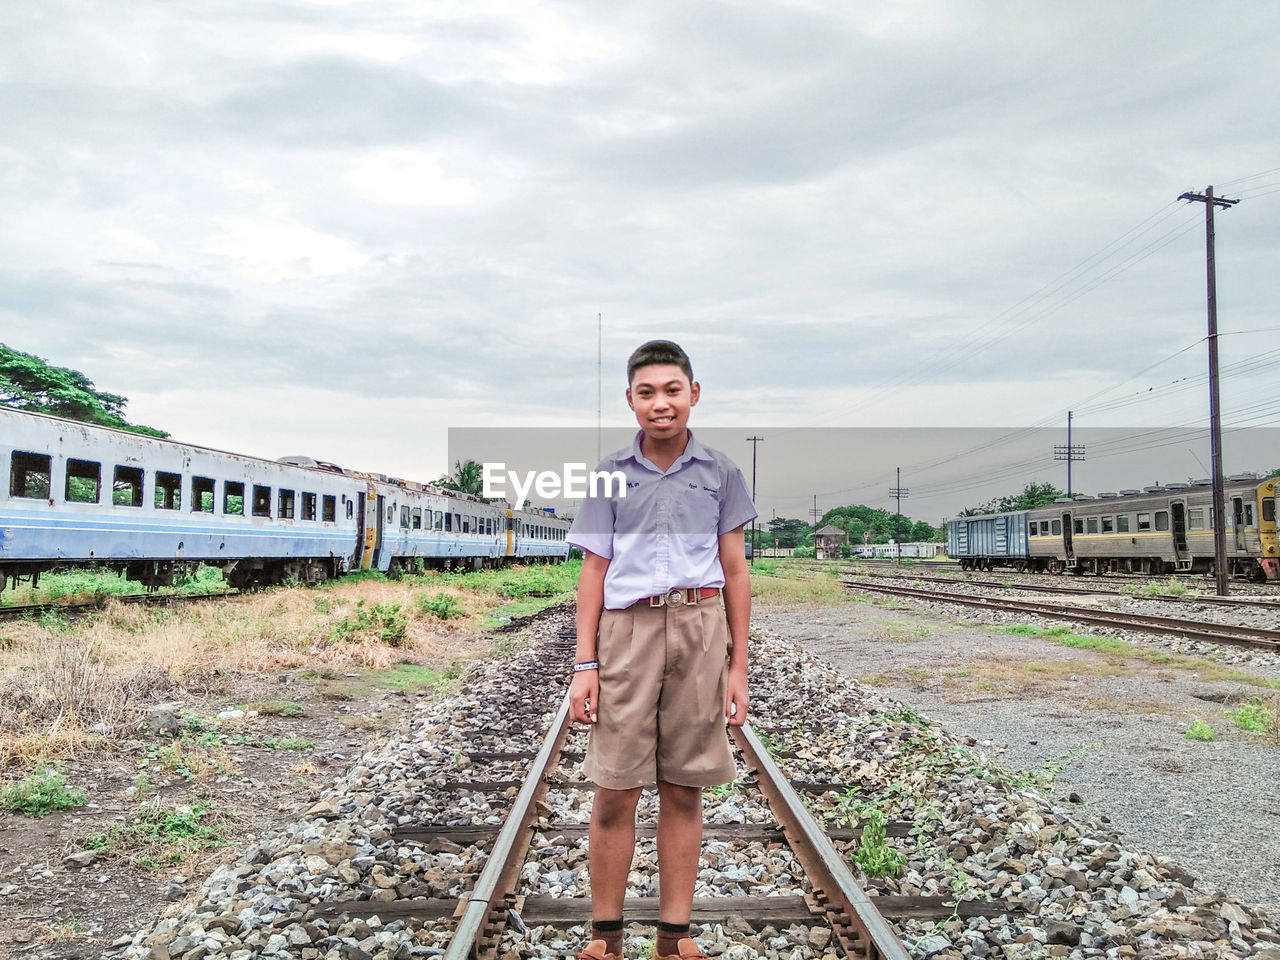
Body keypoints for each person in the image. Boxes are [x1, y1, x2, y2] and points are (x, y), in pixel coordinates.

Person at [566, 339, 757, 960]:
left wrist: (738, 667)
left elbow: (735, 569)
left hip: (700, 628)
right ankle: (606, 938)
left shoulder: (721, 472)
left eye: (672, 390)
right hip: (629, 631)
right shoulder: (610, 474)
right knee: (615, 785)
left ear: (693, 394)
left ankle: (673, 938)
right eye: (646, 392)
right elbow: (594, 571)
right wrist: (585, 665)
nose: (661, 403)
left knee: (683, 786)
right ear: (630, 401)